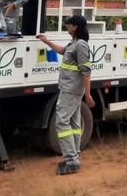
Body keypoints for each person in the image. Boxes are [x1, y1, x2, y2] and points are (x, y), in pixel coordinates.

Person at [38, 15, 96, 175]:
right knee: (75, 125)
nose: (67, 26)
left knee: (62, 122)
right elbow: (63, 51)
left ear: (75, 27)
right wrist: (47, 42)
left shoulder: (81, 45)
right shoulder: (75, 43)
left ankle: (71, 161)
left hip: (71, 91)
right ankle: (74, 156)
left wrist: (88, 95)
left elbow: (86, 71)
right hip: (70, 91)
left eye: (68, 24)